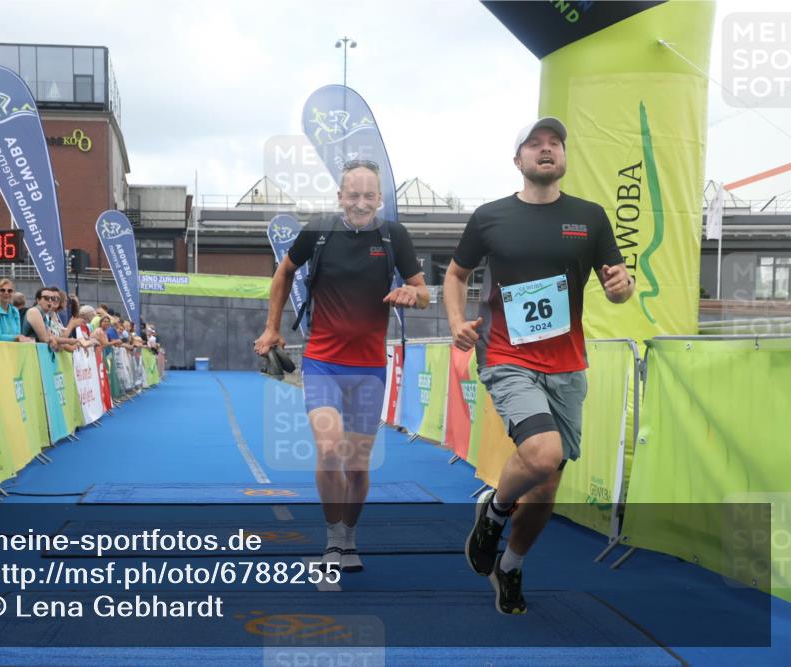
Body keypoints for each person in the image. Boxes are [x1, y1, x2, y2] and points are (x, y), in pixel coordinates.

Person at [442, 117, 634, 615]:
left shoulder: (589, 218)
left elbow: (618, 282)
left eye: (555, 144)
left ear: (564, 159)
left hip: (567, 365)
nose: (546, 150)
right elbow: (455, 275)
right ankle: (494, 512)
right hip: (507, 355)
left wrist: (622, 287)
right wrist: (457, 321)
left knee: (546, 485)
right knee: (544, 453)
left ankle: (510, 565)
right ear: (519, 160)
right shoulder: (490, 217)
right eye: (535, 145)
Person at [254, 159, 429, 573]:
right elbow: (283, 275)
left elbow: (424, 294)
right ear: (340, 197)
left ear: (380, 199)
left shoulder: (393, 236)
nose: (362, 202)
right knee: (329, 448)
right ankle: (334, 536)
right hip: (323, 362)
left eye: (370, 195)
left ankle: (350, 535)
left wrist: (410, 293)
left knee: (357, 463)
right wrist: (272, 327)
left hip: (369, 367)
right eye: (354, 194)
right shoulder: (318, 230)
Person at [0, 278, 30, 342]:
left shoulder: (15, 311)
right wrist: (16, 338)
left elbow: (18, 334)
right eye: (2, 290)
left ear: (13, 293)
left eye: (9, 291)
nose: (6, 293)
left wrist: (18, 337)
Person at [22, 286, 60, 350]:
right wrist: (69, 342)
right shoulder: (34, 311)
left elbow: (51, 337)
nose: (50, 300)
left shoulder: (44, 315)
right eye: (46, 298)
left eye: (52, 298)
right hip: (28, 352)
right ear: (38, 300)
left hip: (32, 352)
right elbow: (45, 338)